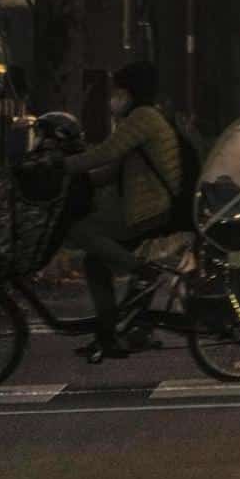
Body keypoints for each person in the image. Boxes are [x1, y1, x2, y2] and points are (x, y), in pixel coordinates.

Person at [62, 60, 182, 358]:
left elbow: (106, 152)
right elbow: (111, 169)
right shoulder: (144, 119)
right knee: (94, 262)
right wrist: (80, 179)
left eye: (119, 90)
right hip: (147, 206)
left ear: (132, 92)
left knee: (81, 230)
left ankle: (143, 271)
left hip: (149, 209)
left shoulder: (143, 117)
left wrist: (59, 166)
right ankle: (107, 334)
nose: (114, 97)